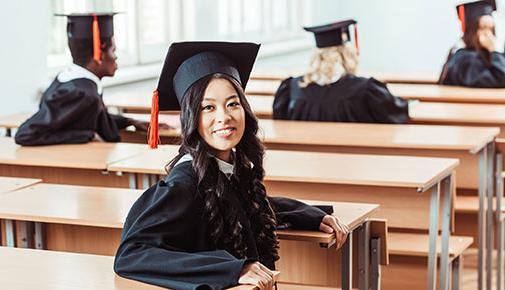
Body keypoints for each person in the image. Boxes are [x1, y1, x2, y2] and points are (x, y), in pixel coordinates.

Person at [114, 41, 349, 290]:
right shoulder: (183, 184)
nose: (223, 117)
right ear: (191, 117)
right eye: (208, 107)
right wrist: (233, 269)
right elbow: (131, 254)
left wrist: (311, 216)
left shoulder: (225, 166)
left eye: (232, 103)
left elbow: (243, 208)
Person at [15, 13, 153, 146]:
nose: (116, 57)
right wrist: (87, 136)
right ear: (98, 57)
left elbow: (89, 120)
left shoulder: (75, 81)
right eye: (113, 50)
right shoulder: (80, 93)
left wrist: (130, 121)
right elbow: (26, 134)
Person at [273, 19, 409, 123]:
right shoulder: (366, 90)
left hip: (300, 160)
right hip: (356, 159)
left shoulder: (291, 88)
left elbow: (279, 122)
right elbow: (394, 115)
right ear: (347, 53)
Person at [439, 0, 505, 87]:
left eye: (491, 29)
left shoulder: (484, 55)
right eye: (483, 28)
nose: (488, 34)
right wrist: (493, 50)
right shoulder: (465, 59)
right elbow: (501, 80)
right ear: (471, 29)